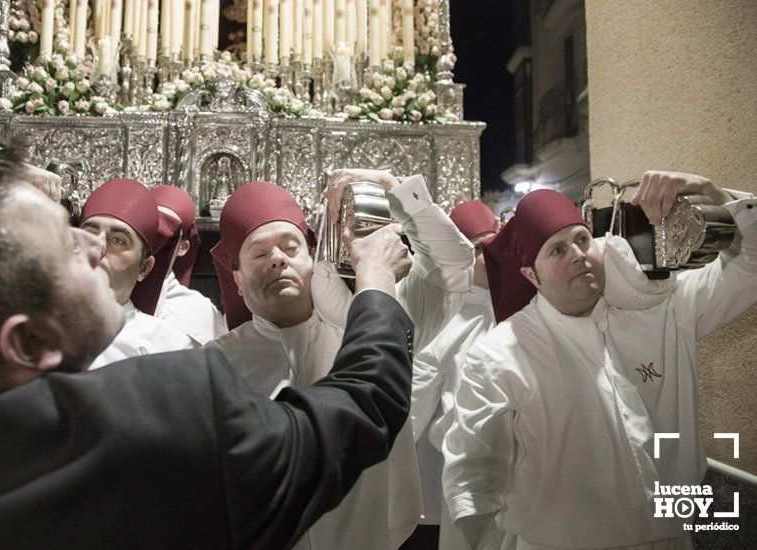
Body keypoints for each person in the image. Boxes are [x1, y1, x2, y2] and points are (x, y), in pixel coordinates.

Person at [0, 147, 418, 549]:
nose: (93, 245)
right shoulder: (167, 414)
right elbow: (361, 406)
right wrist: (375, 283)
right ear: (29, 343)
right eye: (65, 243)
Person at [441, 173, 757, 549]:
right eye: (556, 250)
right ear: (531, 275)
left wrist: (712, 193)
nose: (577, 254)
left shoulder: (665, 311)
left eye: (582, 240)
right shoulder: (499, 355)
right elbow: (473, 480)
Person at [206, 170, 476, 550]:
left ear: (314, 258)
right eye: (260, 253)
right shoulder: (217, 364)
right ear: (236, 279)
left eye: (290, 247)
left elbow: (454, 266)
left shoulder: (371, 323)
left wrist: (393, 187)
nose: (278, 260)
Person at [408, 199, 501, 549]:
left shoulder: (521, 300)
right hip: (447, 479)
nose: (488, 255)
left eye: (495, 243)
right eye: (478, 248)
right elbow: (413, 405)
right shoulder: (445, 315)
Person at [78, 178, 194, 368]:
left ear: (144, 268)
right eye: (89, 233)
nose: (98, 246)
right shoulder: (34, 323)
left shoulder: (167, 347)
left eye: (118, 240)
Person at [144, 184, 226, 345]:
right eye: (152, 230)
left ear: (183, 247)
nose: (157, 243)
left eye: (168, 235)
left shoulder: (201, 311)